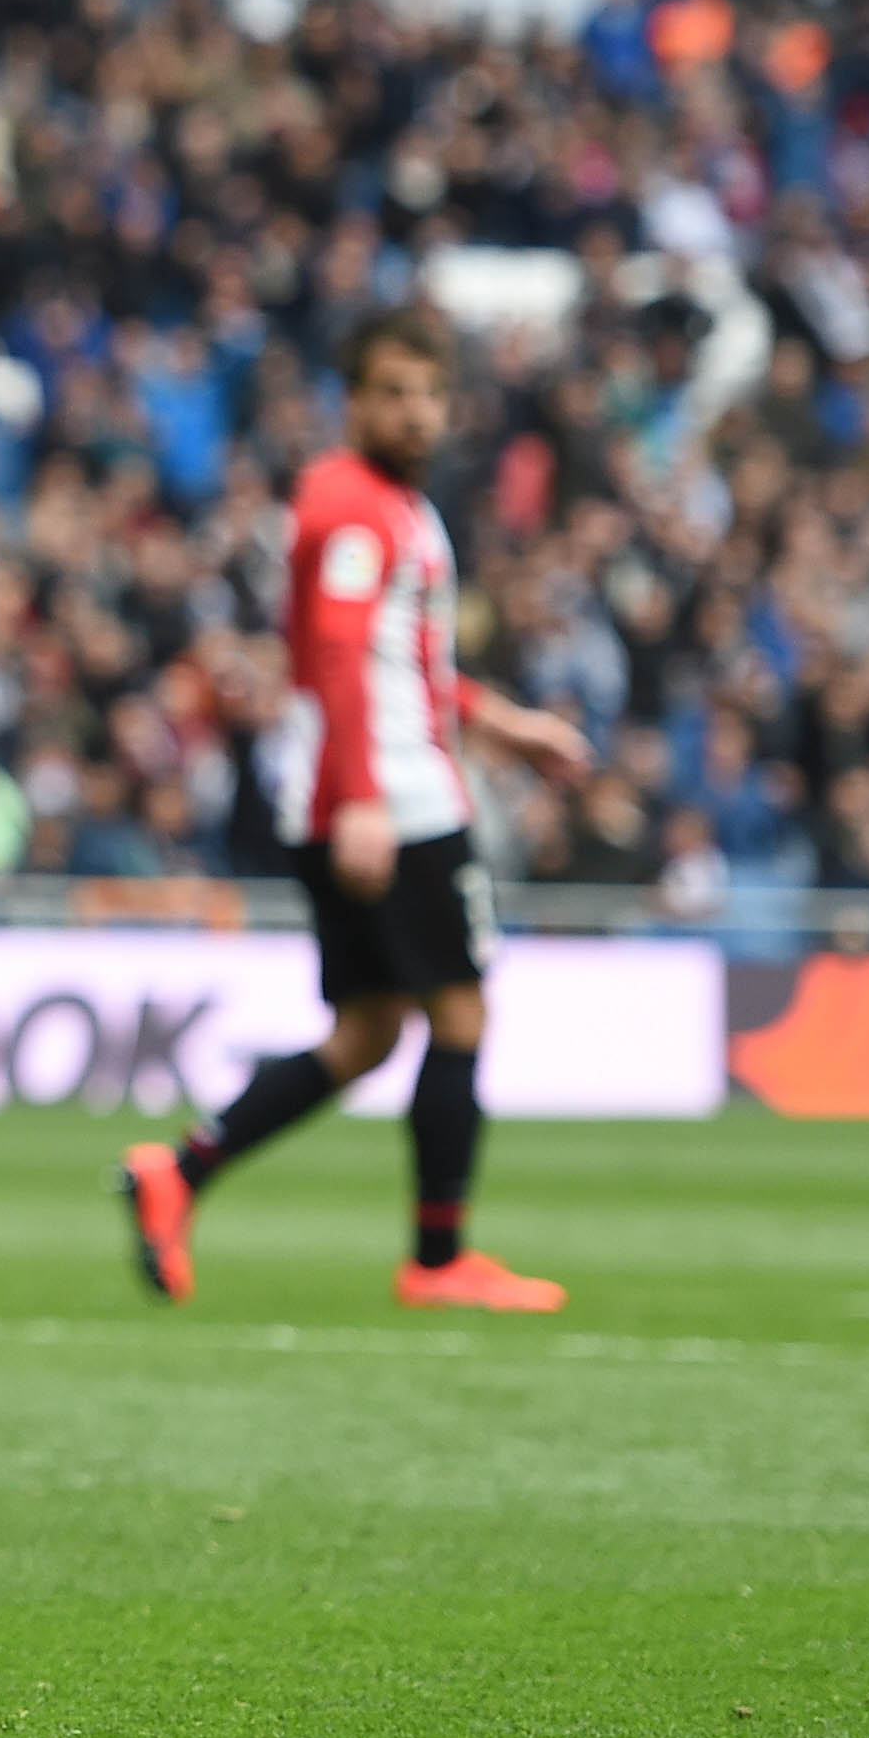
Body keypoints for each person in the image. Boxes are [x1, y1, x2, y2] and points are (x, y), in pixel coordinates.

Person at [117, 307, 590, 1313]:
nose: (414, 412)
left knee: (369, 1029)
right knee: (458, 1009)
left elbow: (399, 665)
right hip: (392, 796)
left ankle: (180, 1172)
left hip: (357, 785)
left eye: (427, 393)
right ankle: (437, 1257)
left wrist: (504, 721)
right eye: (391, 392)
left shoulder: (390, 506)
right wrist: (364, 797)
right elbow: (331, 655)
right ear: (353, 400)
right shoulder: (349, 504)